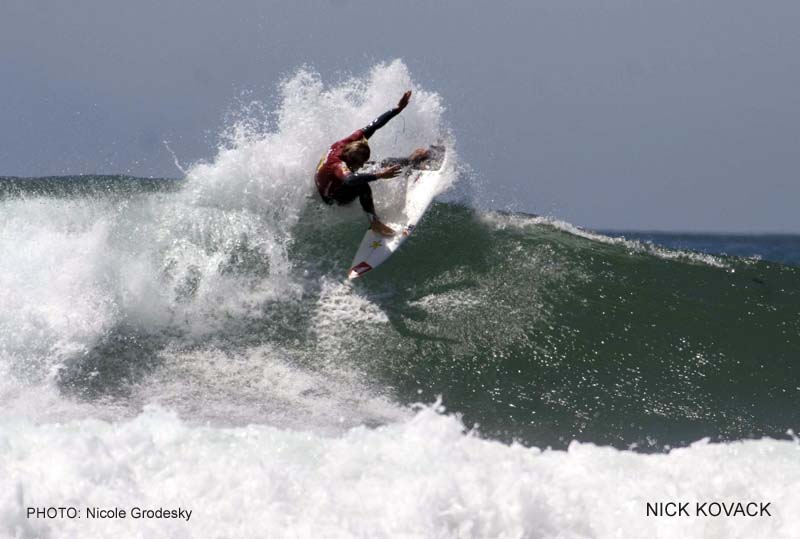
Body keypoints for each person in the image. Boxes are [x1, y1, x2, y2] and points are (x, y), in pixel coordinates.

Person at [314, 90, 429, 236]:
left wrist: (397, 109)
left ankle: (412, 161)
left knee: (382, 163)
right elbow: (349, 179)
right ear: (350, 159)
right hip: (332, 196)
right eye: (360, 163)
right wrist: (379, 175)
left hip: (331, 178)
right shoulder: (338, 165)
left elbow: (374, 125)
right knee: (362, 185)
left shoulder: (346, 144)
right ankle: (375, 222)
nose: (362, 166)